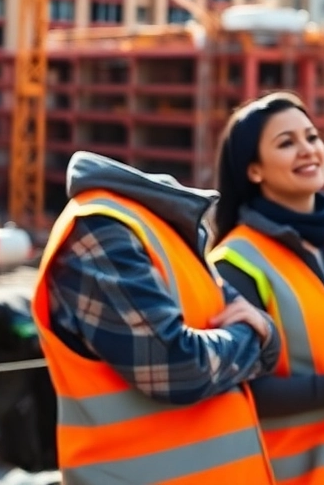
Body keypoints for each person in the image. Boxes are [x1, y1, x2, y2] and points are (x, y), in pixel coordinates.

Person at [31, 151, 279, 485]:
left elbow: (258, 329)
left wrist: (260, 334)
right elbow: (177, 366)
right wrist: (255, 336)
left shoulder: (165, 234)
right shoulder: (99, 228)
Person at [209, 92, 324, 485]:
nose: (308, 149)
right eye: (286, 143)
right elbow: (236, 390)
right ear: (254, 170)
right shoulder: (235, 264)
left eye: (311, 137)